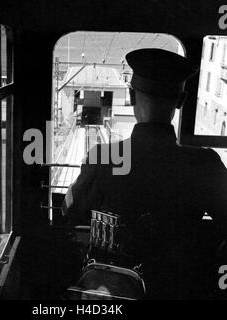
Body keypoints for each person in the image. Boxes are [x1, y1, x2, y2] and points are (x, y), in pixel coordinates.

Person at [62, 48, 227, 299]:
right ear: (181, 101)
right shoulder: (205, 164)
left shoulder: (103, 157)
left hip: (111, 293)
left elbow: (68, 210)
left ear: (130, 96)